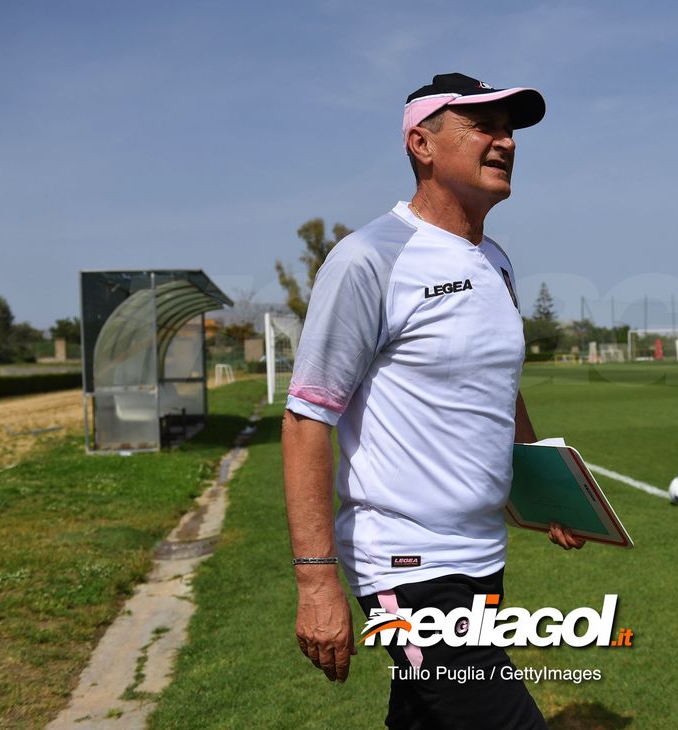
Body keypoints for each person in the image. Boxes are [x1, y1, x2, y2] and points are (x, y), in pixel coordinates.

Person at [282, 72, 585, 730]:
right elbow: (308, 419)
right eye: (484, 125)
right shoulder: (369, 260)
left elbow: (498, 389)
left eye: (510, 129)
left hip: (480, 556)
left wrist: (545, 489)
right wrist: (315, 581)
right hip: (405, 564)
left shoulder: (496, 262)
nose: (504, 140)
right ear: (421, 143)